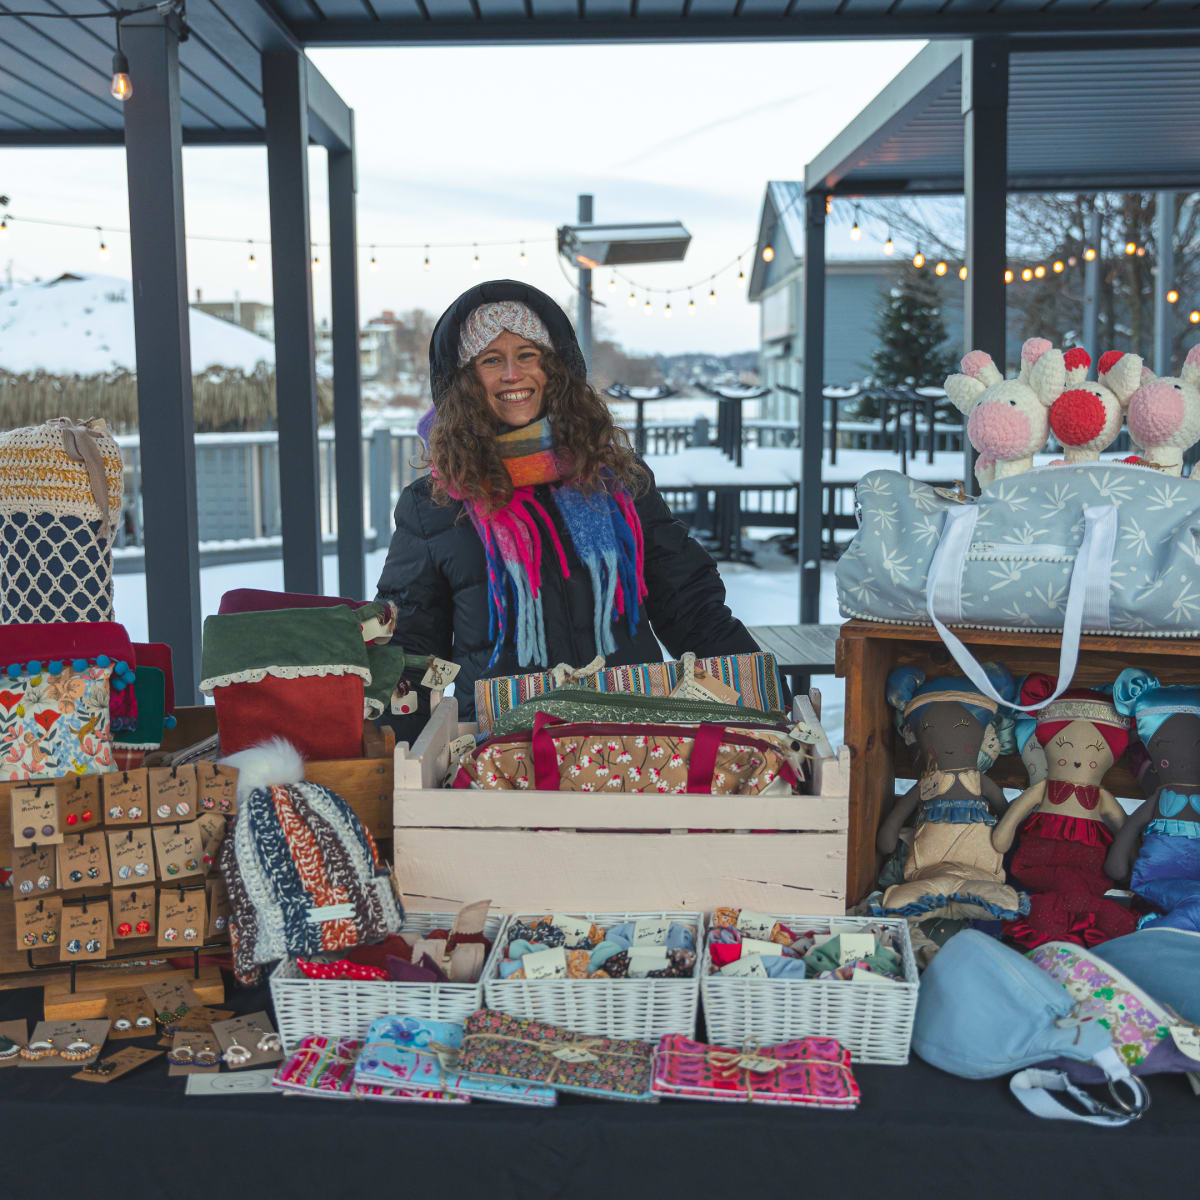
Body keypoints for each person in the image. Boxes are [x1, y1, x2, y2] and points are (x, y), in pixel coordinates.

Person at [375, 279, 758, 723]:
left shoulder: (617, 479)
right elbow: (410, 652)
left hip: (631, 738)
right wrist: (393, 748)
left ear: (555, 368)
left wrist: (764, 702)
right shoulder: (434, 506)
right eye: (491, 359)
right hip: (505, 746)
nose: (512, 374)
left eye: (528, 354)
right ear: (464, 381)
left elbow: (690, 607)